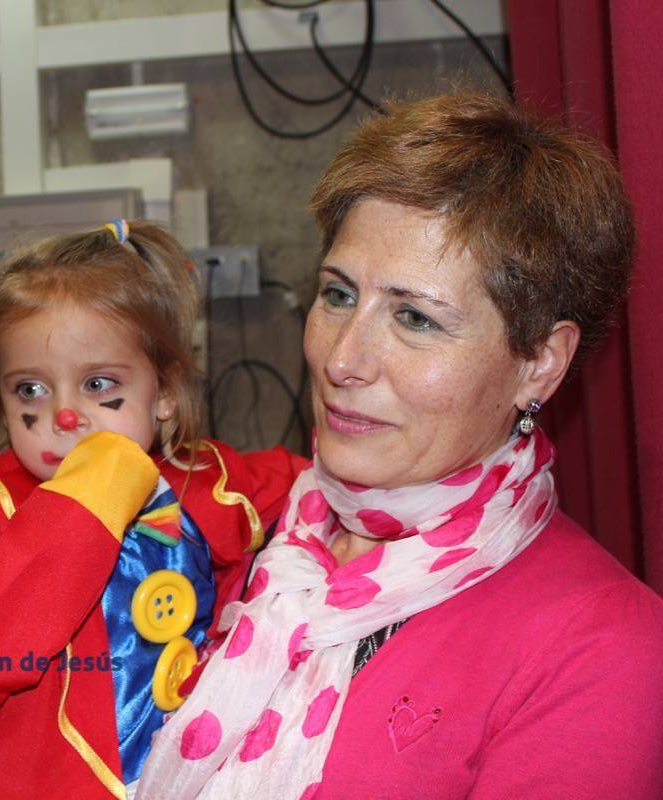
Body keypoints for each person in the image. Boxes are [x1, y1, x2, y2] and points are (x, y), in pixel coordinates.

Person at [138, 91, 663, 799]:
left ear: (539, 360)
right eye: (338, 295)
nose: (343, 361)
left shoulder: (602, 646)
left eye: (415, 318)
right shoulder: (256, 534)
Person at [0, 219, 305, 798]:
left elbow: (330, 482)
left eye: (98, 384)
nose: (66, 416)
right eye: (30, 389)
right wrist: (100, 481)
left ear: (163, 393)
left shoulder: (205, 478)